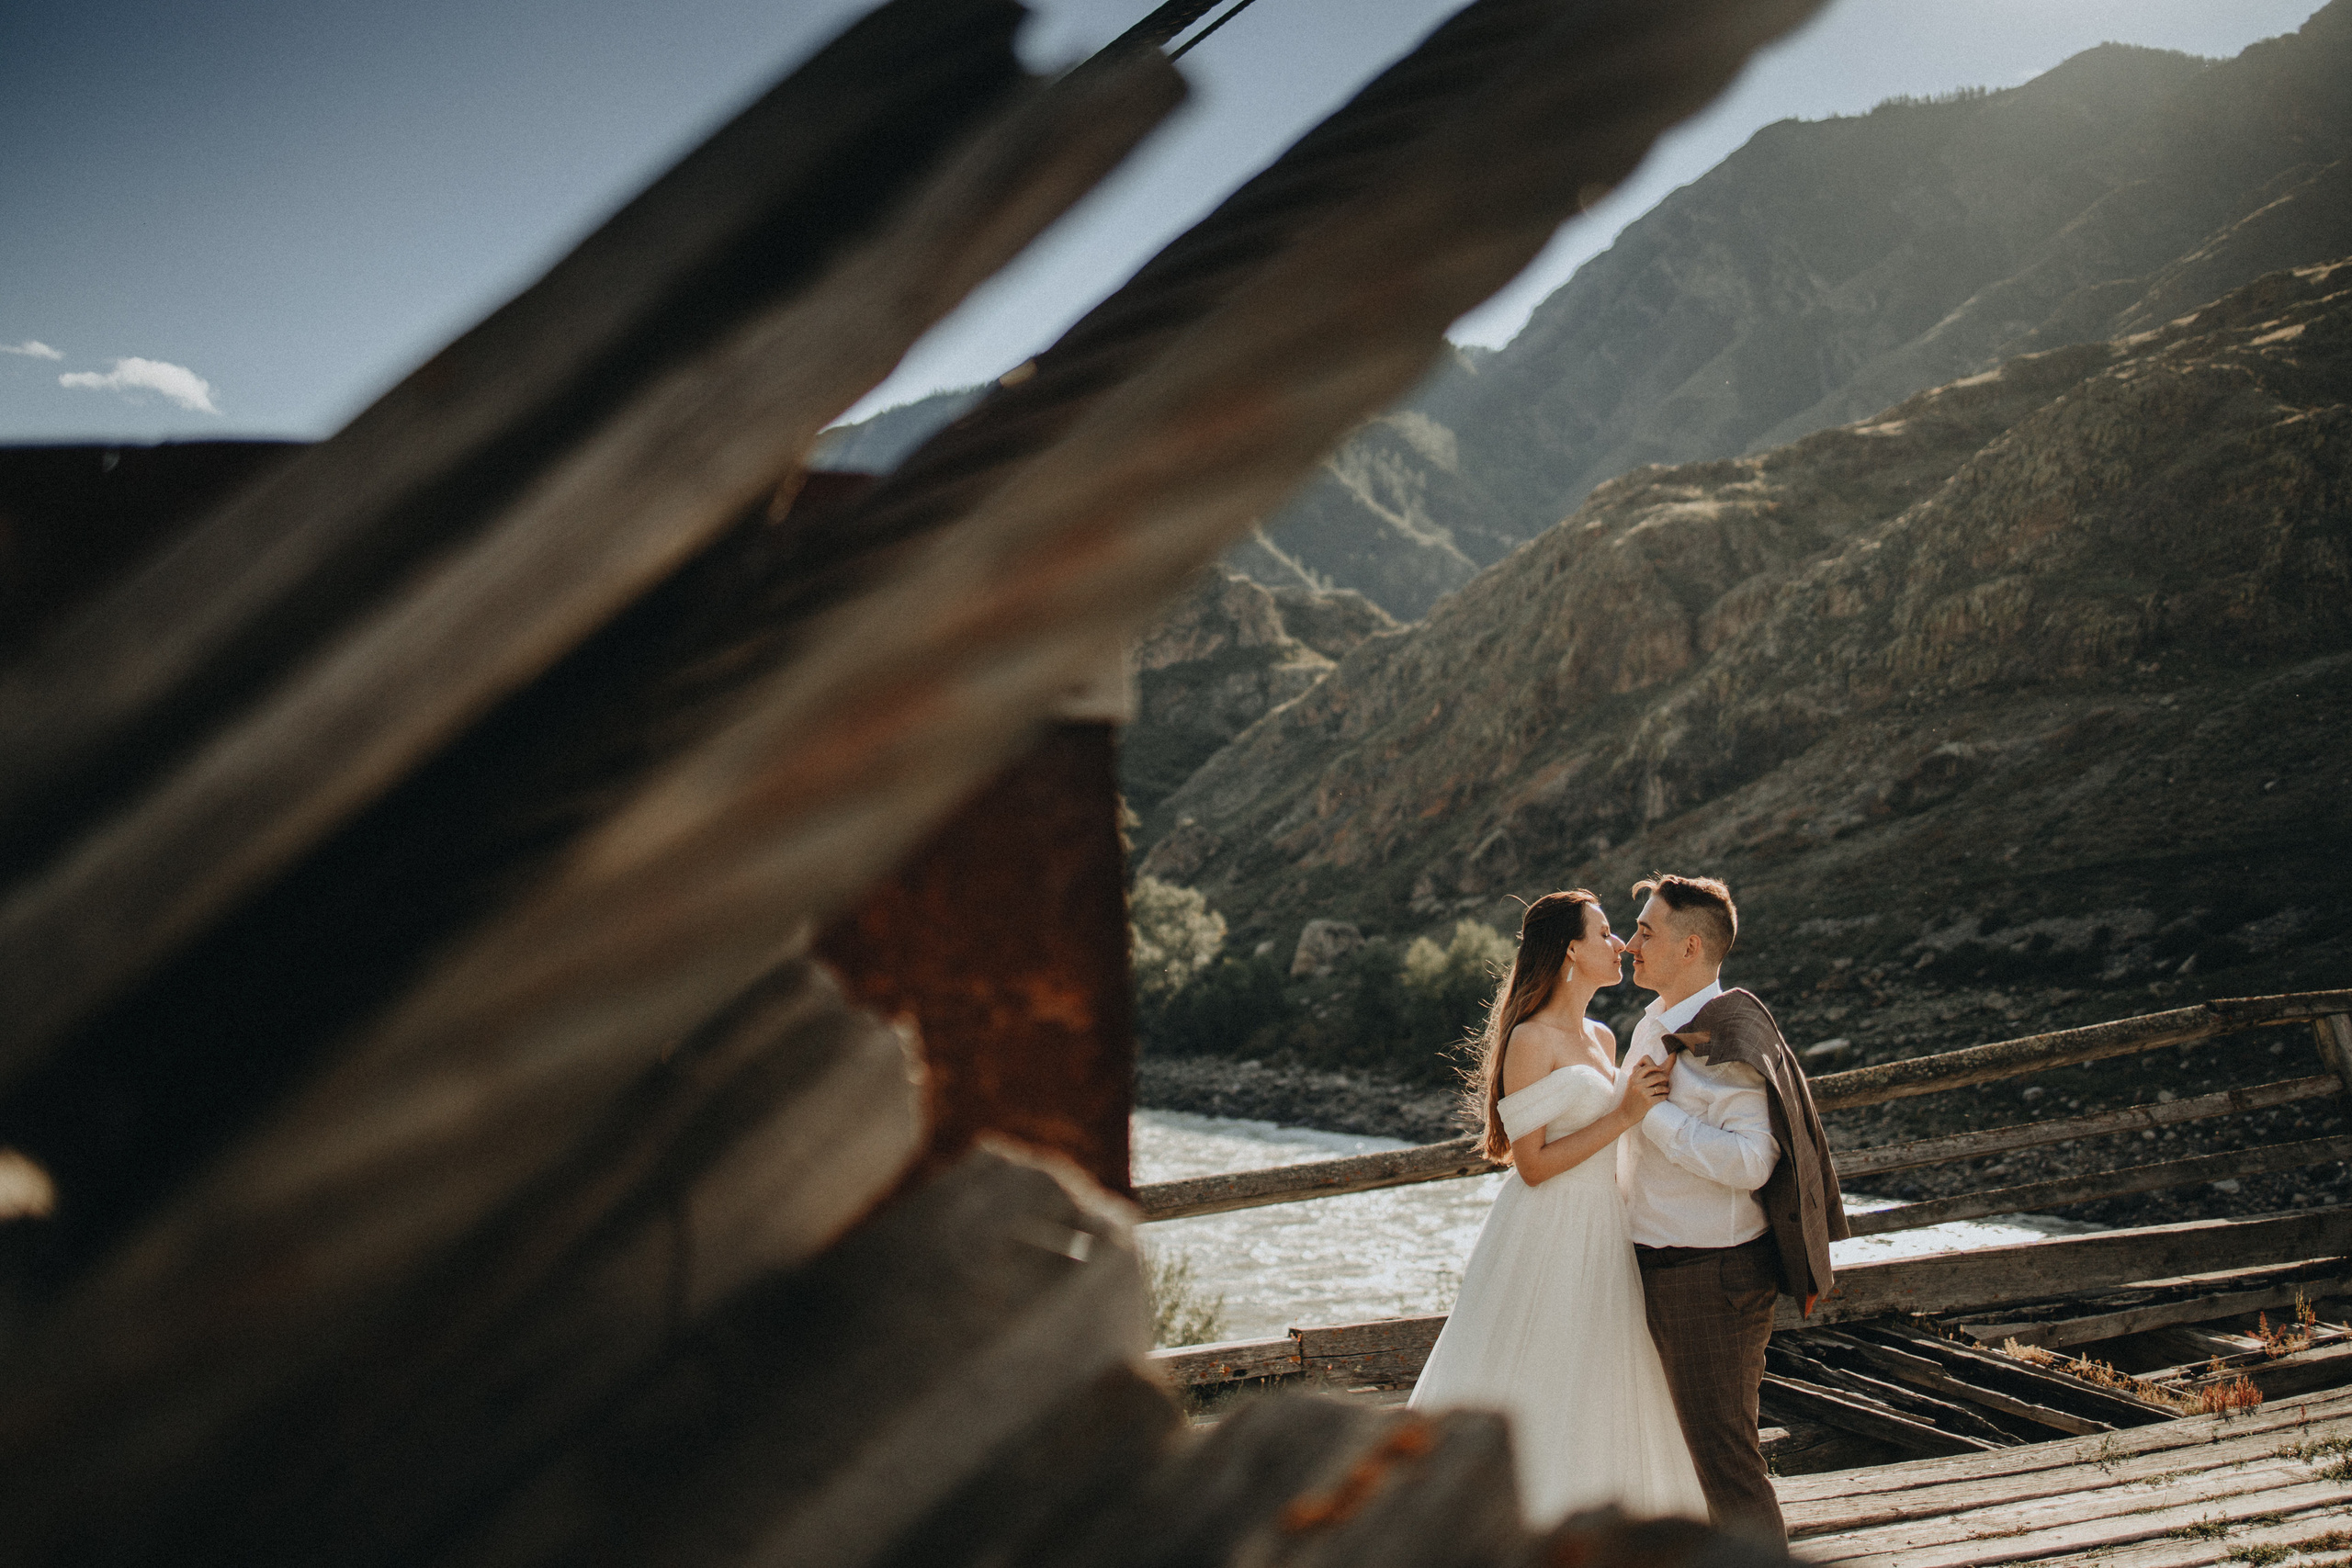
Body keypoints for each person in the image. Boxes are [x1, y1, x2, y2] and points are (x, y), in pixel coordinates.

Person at [1408, 890, 1707, 1525]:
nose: (1621, 944)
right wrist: (1626, 1112)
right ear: (1571, 948)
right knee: (1532, 1374)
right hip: (1544, 1228)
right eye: (1605, 933)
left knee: (1596, 1383)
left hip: (1603, 1225)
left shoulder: (1603, 1035)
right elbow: (1534, 1164)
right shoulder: (1530, 1038)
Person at [1618, 874, 1848, 1547]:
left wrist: (1653, 1117)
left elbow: (1754, 1162)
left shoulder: (1731, 1039)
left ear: (1690, 948)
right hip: (1653, 1262)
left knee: (1724, 1460)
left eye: (1646, 931)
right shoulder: (1652, 1025)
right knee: (1675, 1453)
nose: (1632, 943)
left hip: (1711, 1278)